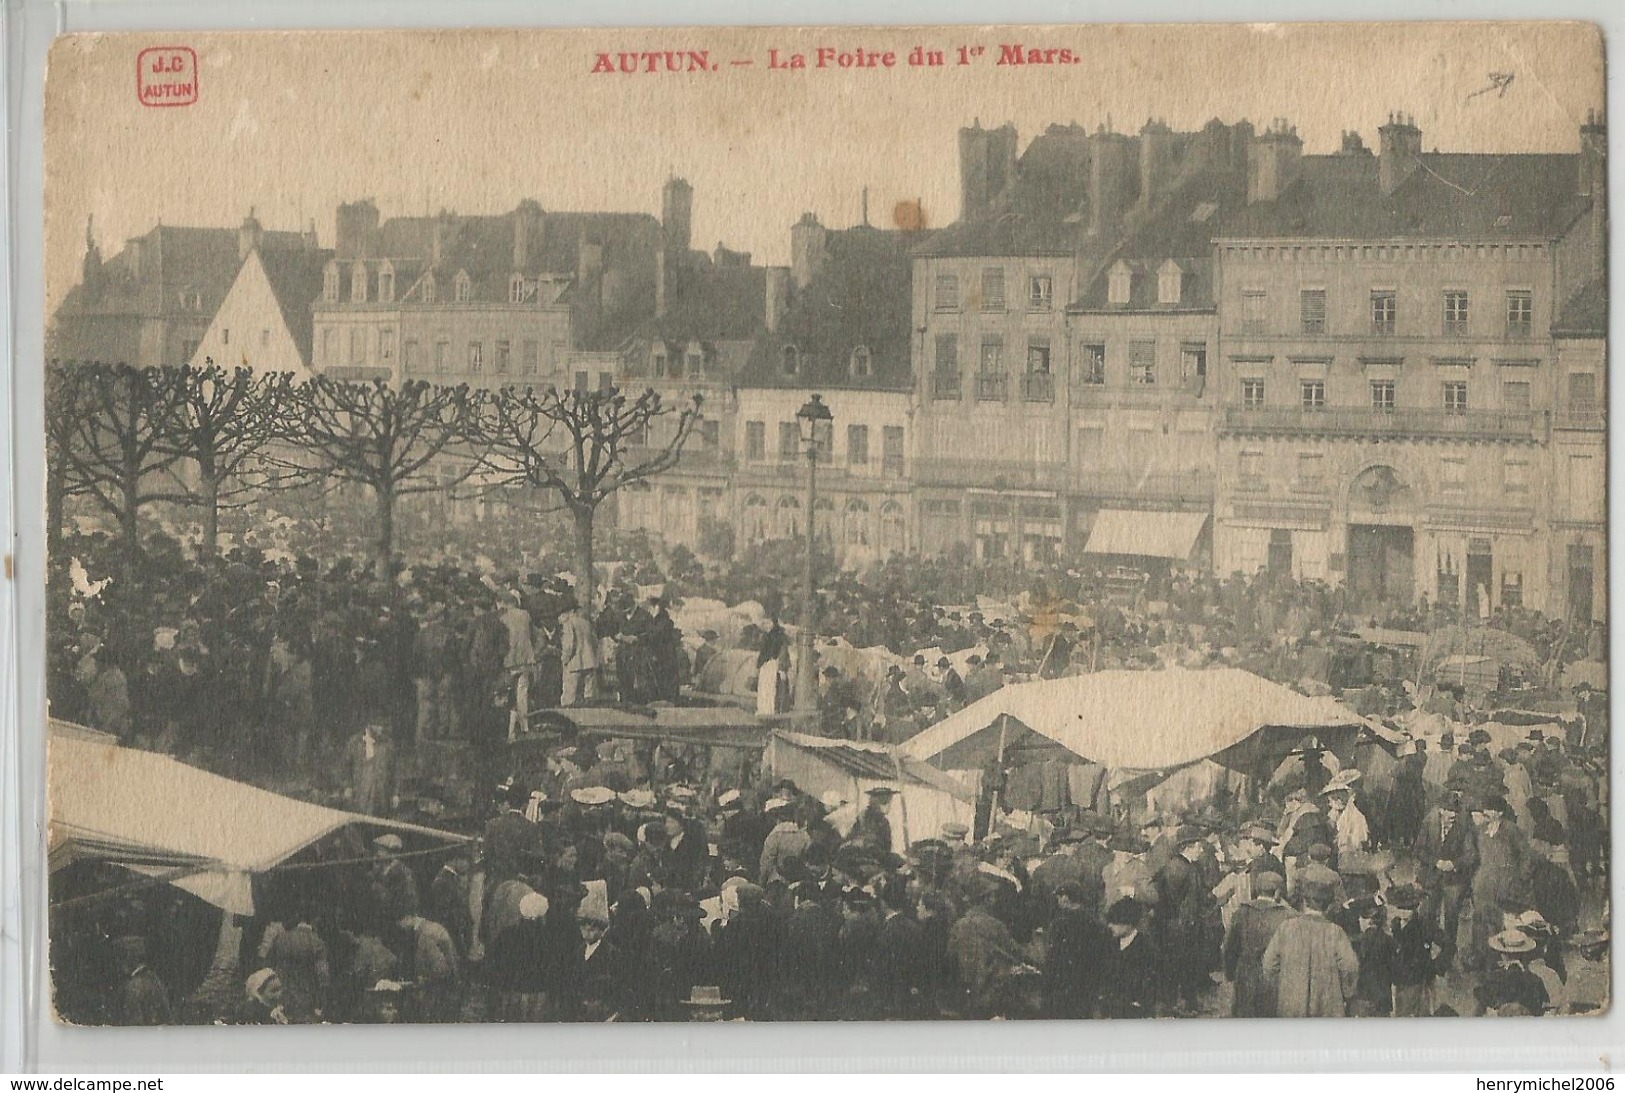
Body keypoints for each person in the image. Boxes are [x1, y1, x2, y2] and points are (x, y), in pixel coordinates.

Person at [1261, 880, 1360, 1018]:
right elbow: (1350, 967)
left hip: (1291, 1005)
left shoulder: (1286, 928)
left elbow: (1269, 965)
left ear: (1304, 901)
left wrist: (1285, 985)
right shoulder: (1336, 932)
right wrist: (1345, 993)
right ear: (1328, 905)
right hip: (1327, 1006)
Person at [1223, 870, 1292, 1017]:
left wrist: (1230, 973)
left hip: (1245, 977)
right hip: (1275, 979)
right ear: (1278, 892)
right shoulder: (1287, 916)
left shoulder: (1241, 912)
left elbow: (1229, 947)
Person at [1040, 881, 1113, 1018]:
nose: (1058, 901)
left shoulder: (1058, 924)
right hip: (1088, 983)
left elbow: (1052, 957)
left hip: (1064, 984)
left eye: (1059, 898)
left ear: (1065, 898)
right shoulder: (1096, 922)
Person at [1099, 896, 1159, 1018]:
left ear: (1128, 924)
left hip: (1134, 1011)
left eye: (1115, 922)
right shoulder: (1110, 944)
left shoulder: (1145, 948)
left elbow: (1149, 984)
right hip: (1110, 1010)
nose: (1110, 926)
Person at [1474, 930, 1549, 1015]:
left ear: (1502, 955)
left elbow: (1478, 1014)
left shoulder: (1492, 980)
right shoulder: (1536, 981)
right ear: (1524, 954)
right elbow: (1540, 1012)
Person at [114, 935, 171, 1025]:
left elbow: (133, 1029)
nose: (118, 963)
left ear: (130, 957)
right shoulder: (155, 980)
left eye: (120, 957)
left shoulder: (133, 987)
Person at [343, 721, 397, 816]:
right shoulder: (355, 743)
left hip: (380, 795)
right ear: (369, 725)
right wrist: (347, 787)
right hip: (360, 793)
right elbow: (345, 767)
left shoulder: (388, 745)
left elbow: (394, 771)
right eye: (378, 725)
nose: (381, 729)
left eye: (382, 725)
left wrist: (395, 794)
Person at [558, 594, 599, 707]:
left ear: (570, 611)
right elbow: (595, 642)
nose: (561, 616)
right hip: (590, 662)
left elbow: (569, 645)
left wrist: (564, 660)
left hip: (574, 664)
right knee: (589, 696)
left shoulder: (569, 624)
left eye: (563, 613)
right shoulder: (586, 623)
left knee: (569, 697)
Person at [848, 786, 896, 851]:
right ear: (874, 801)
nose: (887, 804)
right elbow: (853, 838)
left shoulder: (884, 821)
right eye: (884, 801)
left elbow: (887, 845)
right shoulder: (863, 817)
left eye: (888, 801)